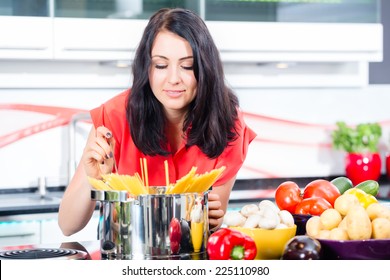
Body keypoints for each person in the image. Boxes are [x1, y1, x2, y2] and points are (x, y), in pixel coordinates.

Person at [58, 7, 256, 236]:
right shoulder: (113, 118)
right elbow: (67, 225)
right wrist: (93, 180)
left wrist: (213, 218)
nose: (173, 79)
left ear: (205, 68)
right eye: (161, 65)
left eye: (187, 66)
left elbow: (205, 227)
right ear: (147, 68)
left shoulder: (227, 123)